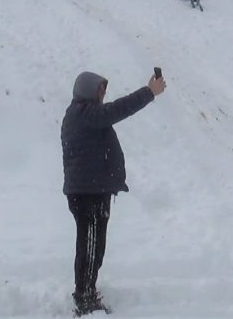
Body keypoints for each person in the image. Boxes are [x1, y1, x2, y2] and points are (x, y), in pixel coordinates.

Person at [61, 70, 166, 316]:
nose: (103, 94)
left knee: (95, 245)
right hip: (87, 194)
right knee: (89, 246)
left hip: (94, 191)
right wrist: (149, 92)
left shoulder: (85, 113)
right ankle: (84, 297)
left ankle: (88, 288)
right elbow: (118, 110)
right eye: (99, 90)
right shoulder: (83, 113)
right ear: (87, 91)